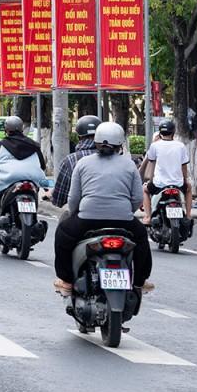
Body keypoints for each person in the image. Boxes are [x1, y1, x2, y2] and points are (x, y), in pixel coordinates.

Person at [53, 121, 153, 294]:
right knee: (142, 239)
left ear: (96, 141)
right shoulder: (129, 164)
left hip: (87, 219)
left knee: (62, 234)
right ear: (120, 143)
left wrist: (75, 213)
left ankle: (67, 281)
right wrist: (124, 212)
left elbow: (74, 198)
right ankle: (140, 282)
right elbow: (137, 198)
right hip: (124, 220)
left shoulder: (83, 163)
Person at [0, 116, 47, 218]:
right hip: (32, 180)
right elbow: (42, 165)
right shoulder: (34, 146)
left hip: (8, 180)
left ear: (6, 130)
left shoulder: (2, 146)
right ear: (22, 129)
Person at [141, 119, 192, 229]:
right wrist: (185, 180)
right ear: (173, 133)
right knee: (189, 189)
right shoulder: (180, 146)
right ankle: (188, 215)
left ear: (160, 133)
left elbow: (151, 165)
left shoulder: (155, 146)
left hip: (159, 184)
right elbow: (184, 166)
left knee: (145, 190)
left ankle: (148, 216)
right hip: (177, 184)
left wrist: (149, 180)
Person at [49, 115, 100, 210]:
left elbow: (60, 198)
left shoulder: (71, 160)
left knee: (64, 221)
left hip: (85, 215)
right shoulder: (122, 161)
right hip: (121, 217)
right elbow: (135, 199)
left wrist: (52, 197)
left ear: (79, 137)